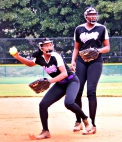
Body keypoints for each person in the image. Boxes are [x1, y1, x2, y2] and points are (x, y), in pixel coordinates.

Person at [10, 38, 92, 139]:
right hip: (60, 83)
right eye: (46, 45)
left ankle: (85, 120)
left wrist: (49, 81)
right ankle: (45, 131)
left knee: (69, 103)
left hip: (71, 81)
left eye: (50, 45)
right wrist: (17, 56)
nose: (49, 47)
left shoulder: (55, 56)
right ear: (41, 48)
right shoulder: (39, 58)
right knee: (43, 105)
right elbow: (30, 64)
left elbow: (64, 74)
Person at [70, 6, 110, 135]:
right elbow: (76, 48)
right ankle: (78, 121)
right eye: (90, 15)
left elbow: (107, 47)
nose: (93, 17)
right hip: (82, 60)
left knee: (91, 91)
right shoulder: (79, 29)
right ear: (86, 16)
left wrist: (97, 50)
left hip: (95, 61)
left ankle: (92, 124)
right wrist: (73, 61)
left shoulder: (101, 28)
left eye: (95, 15)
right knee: (77, 91)